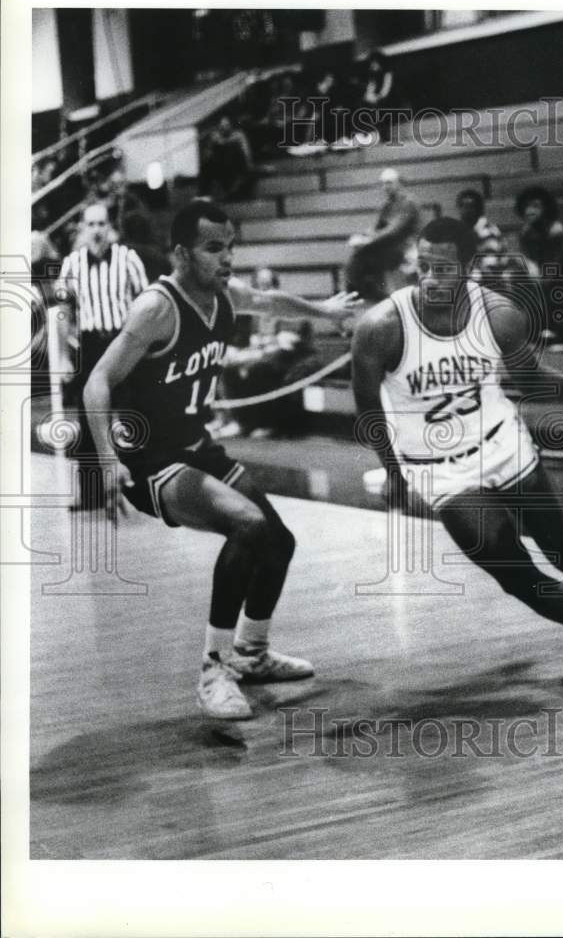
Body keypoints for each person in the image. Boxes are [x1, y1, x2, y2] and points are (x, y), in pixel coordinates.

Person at [351, 217, 563, 695]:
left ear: (468, 268)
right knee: (518, 576)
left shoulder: (497, 314)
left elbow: (531, 379)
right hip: (442, 472)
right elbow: (369, 412)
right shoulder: (380, 328)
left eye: (444, 269)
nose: (431, 280)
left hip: (505, 448)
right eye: (424, 267)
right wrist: (394, 475)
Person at [82, 200, 359, 720]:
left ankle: (252, 652)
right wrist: (105, 459)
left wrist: (325, 312)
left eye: (230, 246)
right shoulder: (157, 308)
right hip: (150, 457)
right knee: (248, 525)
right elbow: (98, 380)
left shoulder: (226, 296)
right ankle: (213, 669)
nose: (227, 257)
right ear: (182, 253)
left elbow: (270, 301)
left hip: (196, 444)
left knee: (278, 542)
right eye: (214, 248)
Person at [57, 203, 149, 509]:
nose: (96, 230)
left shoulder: (128, 258)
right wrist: (64, 356)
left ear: (110, 227)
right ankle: (91, 494)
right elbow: (63, 311)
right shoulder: (72, 263)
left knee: (133, 415)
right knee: (88, 419)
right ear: (83, 229)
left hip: (123, 342)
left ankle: (141, 492)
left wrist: (143, 346)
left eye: (101, 224)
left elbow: (146, 304)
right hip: (90, 344)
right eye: (91, 224)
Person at [344, 168, 420, 305]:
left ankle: (366, 296)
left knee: (362, 255)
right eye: (383, 183)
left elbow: (393, 231)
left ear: (399, 183)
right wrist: (362, 236)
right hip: (389, 247)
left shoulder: (408, 203)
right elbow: (377, 228)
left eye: (389, 183)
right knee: (359, 256)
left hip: (404, 247)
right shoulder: (387, 205)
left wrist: (367, 241)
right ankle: (358, 296)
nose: (385, 187)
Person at [515, 186, 563, 340]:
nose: (530, 210)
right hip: (541, 272)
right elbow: (525, 256)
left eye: (536, 206)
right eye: (526, 206)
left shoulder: (557, 231)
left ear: (546, 208)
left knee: (552, 285)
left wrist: (538, 278)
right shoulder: (526, 232)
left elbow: (554, 265)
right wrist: (530, 267)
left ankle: (554, 327)